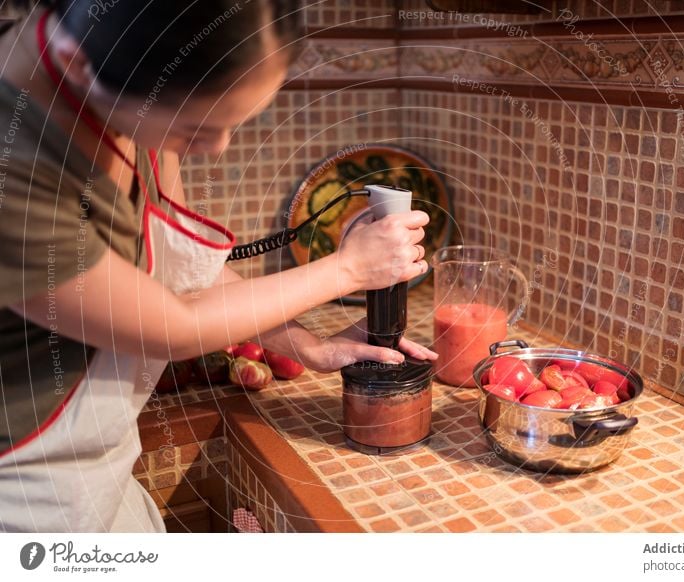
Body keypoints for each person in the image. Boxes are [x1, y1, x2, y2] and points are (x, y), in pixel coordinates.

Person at [0, 0, 436, 533]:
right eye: (193, 128)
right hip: (26, 494)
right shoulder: (13, 168)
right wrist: (346, 271)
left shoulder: (117, 91)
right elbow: (171, 327)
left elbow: (182, 276)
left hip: (100, 473)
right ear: (74, 64)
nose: (217, 148)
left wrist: (308, 346)